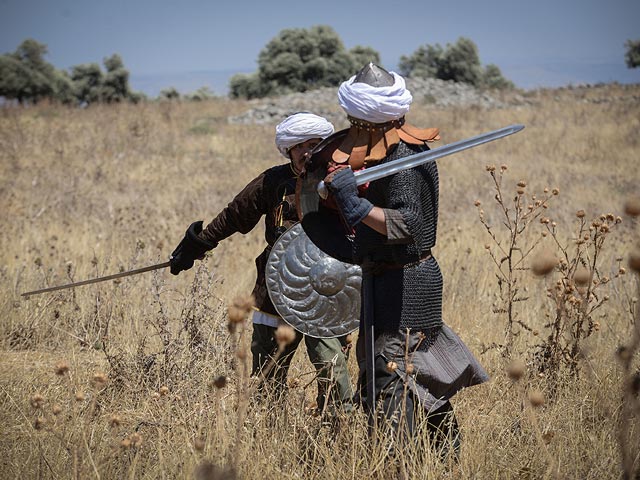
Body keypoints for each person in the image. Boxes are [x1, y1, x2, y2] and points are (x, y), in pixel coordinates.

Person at [321, 64, 489, 455]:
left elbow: (409, 223)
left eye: (356, 120)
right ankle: (445, 454)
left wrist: (355, 204)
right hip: (384, 278)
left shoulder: (406, 158)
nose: (352, 127)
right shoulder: (383, 156)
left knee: (394, 375)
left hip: (406, 280)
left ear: (372, 120)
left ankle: (401, 460)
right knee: (403, 373)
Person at [170, 112, 353, 413]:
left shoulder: (339, 180)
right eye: (300, 146)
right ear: (289, 150)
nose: (307, 152)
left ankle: (340, 431)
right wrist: (196, 245)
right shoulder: (273, 180)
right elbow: (235, 215)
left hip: (326, 288)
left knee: (332, 369)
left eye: (315, 144)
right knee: (269, 375)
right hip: (276, 287)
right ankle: (271, 433)